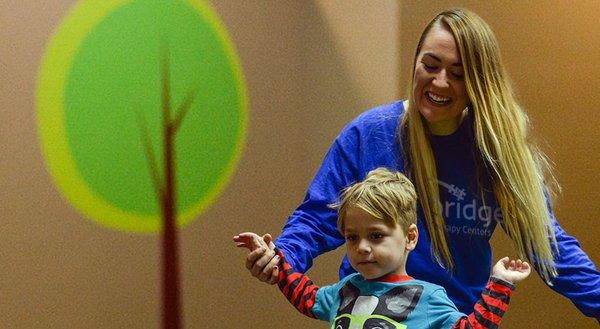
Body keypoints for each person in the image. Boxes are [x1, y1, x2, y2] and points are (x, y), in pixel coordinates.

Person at [243, 8, 599, 320]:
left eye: (458, 74)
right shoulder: (369, 134)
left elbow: (551, 249)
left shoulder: (496, 151)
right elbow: (318, 216)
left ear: (480, 82)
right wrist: (282, 255)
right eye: (430, 65)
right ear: (415, 62)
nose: (439, 82)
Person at [235, 168, 531, 328]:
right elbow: (306, 297)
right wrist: (275, 258)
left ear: (410, 238)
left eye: (376, 236)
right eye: (352, 237)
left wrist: (500, 284)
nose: (362, 247)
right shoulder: (344, 290)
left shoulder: (428, 298)